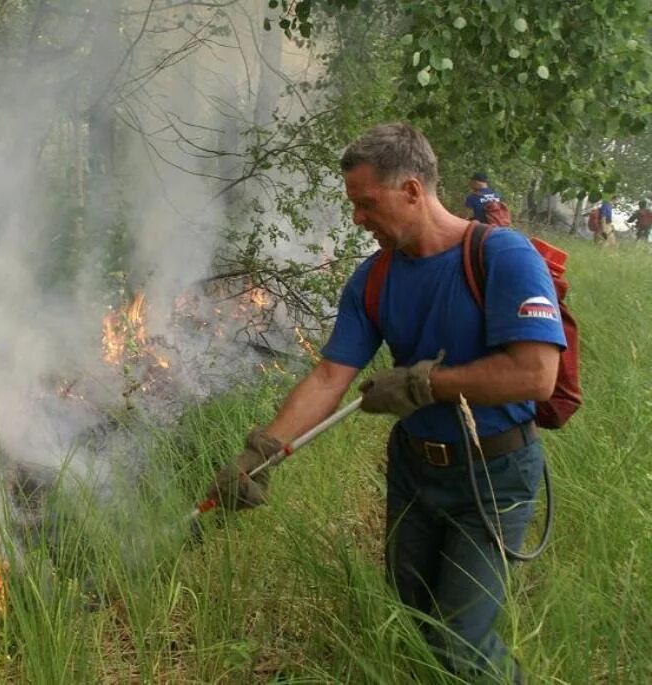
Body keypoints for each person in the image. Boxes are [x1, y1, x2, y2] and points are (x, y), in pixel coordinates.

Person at [208, 123, 566, 683]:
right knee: (415, 627)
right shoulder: (372, 280)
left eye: (366, 203)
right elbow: (330, 376)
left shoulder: (502, 256)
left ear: (413, 191)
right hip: (415, 473)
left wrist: (426, 385)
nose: (357, 219)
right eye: (353, 205)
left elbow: (537, 374)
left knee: (461, 646)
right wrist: (263, 450)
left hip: (494, 476)